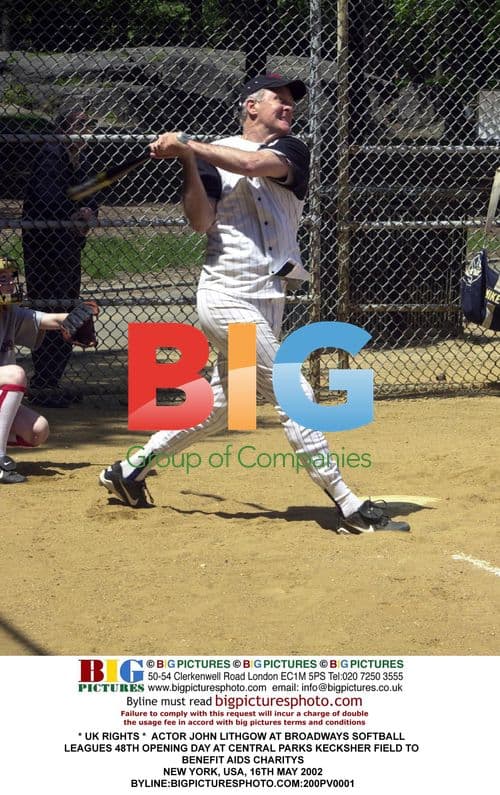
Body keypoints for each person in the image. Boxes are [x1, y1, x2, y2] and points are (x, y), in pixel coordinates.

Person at [99, 73, 410, 534]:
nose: (288, 108)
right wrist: (187, 159)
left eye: (291, 102)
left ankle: (129, 470)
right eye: (278, 100)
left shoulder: (291, 151)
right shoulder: (207, 157)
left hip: (268, 299)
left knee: (226, 406)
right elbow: (200, 222)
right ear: (251, 106)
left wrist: (190, 143)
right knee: (294, 393)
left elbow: (251, 166)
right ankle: (347, 505)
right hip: (224, 296)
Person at [22, 106, 98, 408]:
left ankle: (51, 380)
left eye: (88, 124)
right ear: (63, 129)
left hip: (65, 246)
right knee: (49, 307)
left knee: (66, 305)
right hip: (46, 247)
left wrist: (88, 212)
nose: (86, 131)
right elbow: (46, 199)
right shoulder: (53, 153)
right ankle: (44, 381)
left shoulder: (78, 158)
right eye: (80, 124)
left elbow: (91, 192)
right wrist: (72, 214)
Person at [0, 258, 80, 483]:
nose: (9, 284)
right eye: (2, 279)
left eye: (10, 278)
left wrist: (78, 318)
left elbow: (48, 319)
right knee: (15, 374)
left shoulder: (9, 312)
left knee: (38, 430)